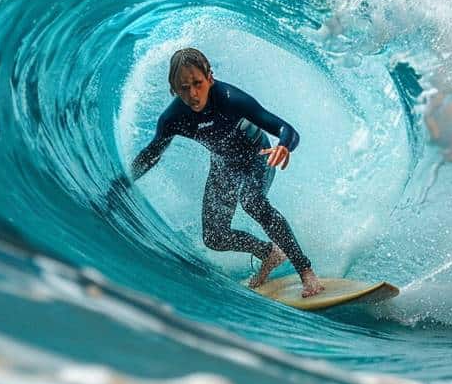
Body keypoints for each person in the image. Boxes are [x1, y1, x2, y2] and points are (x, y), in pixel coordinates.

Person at [109, 48, 325, 298]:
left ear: (210, 78)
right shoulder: (173, 118)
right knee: (214, 237)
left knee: (252, 202)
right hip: (225, 165)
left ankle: (306, 272)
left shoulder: (230, 98)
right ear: (173, 89)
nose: (192, 94)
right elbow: (152, 154)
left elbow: (285, 128)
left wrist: (284, 146)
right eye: (184, 87)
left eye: (198, 83)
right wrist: (122, 183)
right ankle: (268, 253)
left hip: (258, 155)